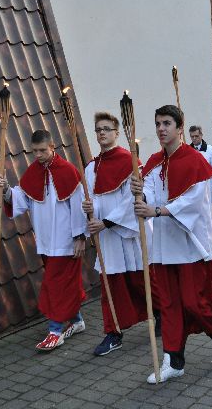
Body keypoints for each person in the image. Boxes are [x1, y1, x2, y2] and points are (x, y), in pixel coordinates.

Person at [131, 105, 212, 384]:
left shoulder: (195, 160)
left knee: (195, 302)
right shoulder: (153, 162)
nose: (161, 129)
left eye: (166, 123)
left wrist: (159, 211)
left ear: (179, 127)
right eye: (157, 124)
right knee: (170, 305)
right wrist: (139, 194)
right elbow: (149, 196)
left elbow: (195, 203)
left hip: (192, 245)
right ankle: (173, 361)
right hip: (164, 246)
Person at [0, 130, 86, 351]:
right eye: (35, 151)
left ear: (52, 147)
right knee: (62, 285)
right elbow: (21, 200)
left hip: (66, 240)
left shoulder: (68, 171)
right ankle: (77, 321)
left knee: (54, 285)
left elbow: (79, 206)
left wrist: (80, 237)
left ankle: (55, 332)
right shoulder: (33, 172)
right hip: (46, 240)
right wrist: (6, 189)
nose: (38, 155)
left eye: (42, 150)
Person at [81, 112, 156, 356]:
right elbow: (90, 197)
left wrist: (106, 222)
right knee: (110, 286)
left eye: (106, 129)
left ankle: (162, 314)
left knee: (139, 283)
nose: (101, 133)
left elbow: (131, 200)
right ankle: (113, 333)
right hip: (107, 239)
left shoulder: (130, 161)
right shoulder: (91, 167)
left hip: (127, 234)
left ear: (116, 132)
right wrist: (89, 210)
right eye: (98, 129)